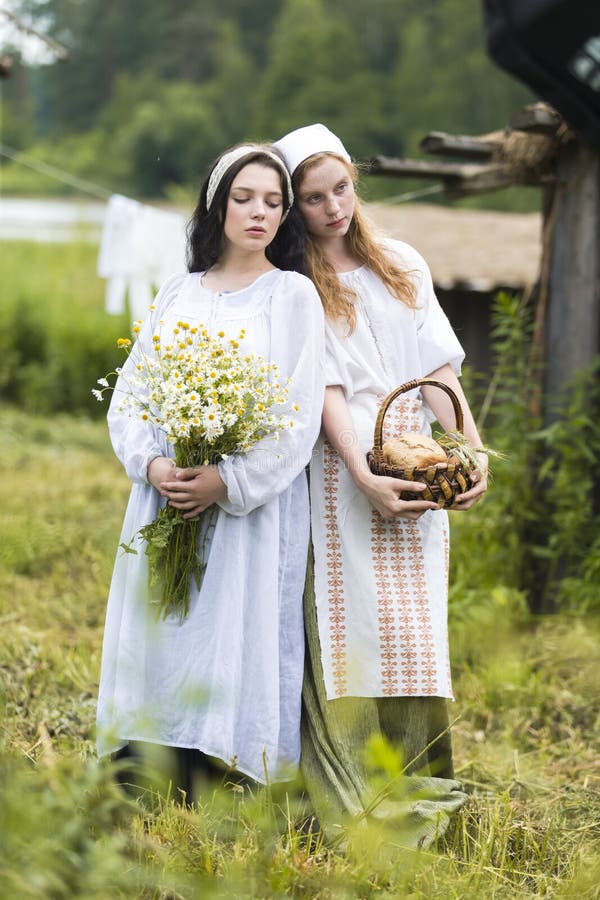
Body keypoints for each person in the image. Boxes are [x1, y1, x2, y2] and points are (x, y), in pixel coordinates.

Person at [273, 124, 488, 847]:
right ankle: (354, 797)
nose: (333, 207)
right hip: (342, 469)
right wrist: (361, 472)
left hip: (417, 455)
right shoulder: (298, 284)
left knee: (413, 629)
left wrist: (472, 450)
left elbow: (439, 371)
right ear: (293, 206)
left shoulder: (402, 262)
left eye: (341, 188)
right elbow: (326, 389)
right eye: (312, 197)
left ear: (354, 182)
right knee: (348, 628)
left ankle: (421, 781)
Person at [96, 143, 325, 803]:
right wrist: (157, 463)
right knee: (160, 623)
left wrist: (228, 481)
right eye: (244, 197)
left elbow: (297, 416)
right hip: (163, 497)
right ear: (217, 204)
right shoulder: (179, 291)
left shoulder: (291, 296)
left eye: (274, 202)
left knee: (229, 624)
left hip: (245, 512)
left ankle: (222, 767)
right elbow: (131, 398)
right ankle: (142, 760)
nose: (259, 212)